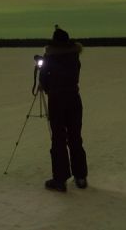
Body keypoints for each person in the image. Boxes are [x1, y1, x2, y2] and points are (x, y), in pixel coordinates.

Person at [38, 25, 88, 192]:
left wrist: (48, 87)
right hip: (74, 98)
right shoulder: (74, 57)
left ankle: (60, 179)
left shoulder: (50, 58)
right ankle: (80, 177)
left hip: (57, 100)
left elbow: (44, 79)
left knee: (58, 139)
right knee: (75, 137)